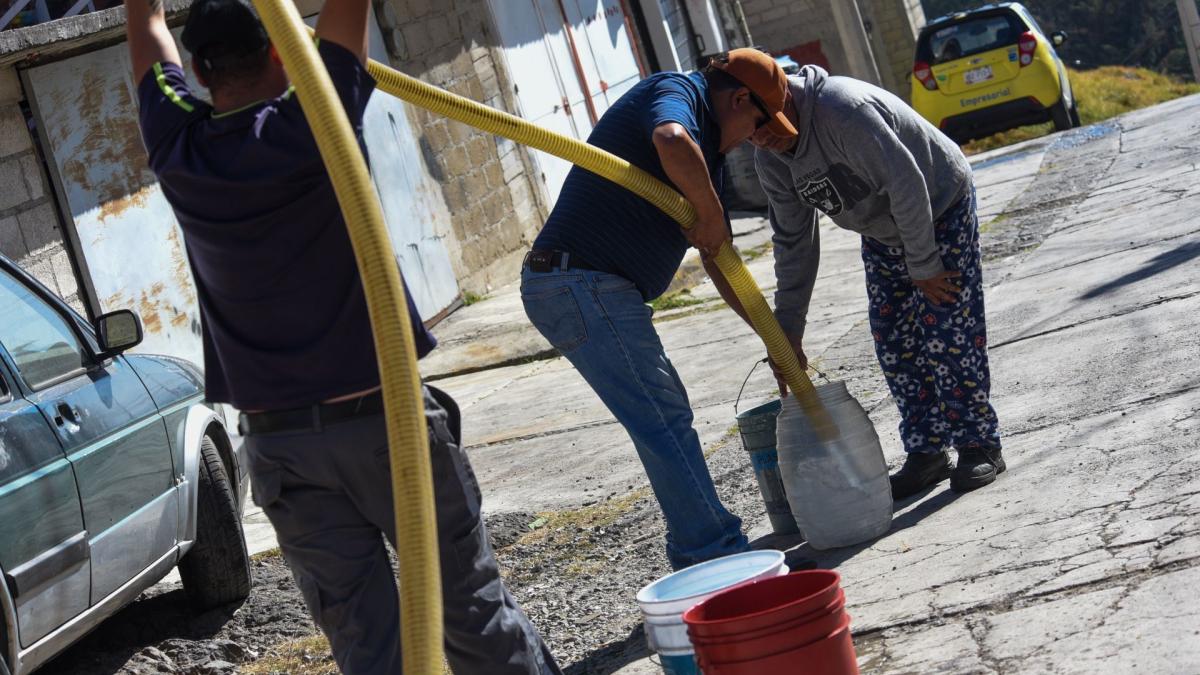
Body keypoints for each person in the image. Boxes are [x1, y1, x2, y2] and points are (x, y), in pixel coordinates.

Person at [125, 1, 561, 672]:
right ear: (281, 52)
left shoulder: (178, 147)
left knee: (367, 644)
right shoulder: (316, 119)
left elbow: (147, 27)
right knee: (470, 618)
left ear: (203, 77)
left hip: (284, 448)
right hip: (386, 425)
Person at [520, 49, 814, 572]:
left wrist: (774, 337)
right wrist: (708, 210)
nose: (753, 136)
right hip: (578, 281)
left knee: (664, 414)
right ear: (739, 98)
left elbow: (719, 256)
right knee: (662, 418)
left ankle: (698, 552)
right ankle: (714, 556)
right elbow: (669, 139)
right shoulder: (677, 92)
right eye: (757, 122)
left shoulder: (710, 157)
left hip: (591, 285)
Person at [742, 63, 1004, 501]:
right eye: (747, 132)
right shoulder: (769, 157)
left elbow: (907, 184)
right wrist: (788, 328)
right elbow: (794, 242)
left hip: (939, 205)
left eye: (762, 123)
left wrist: (924, 266)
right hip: (882, 232)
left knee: (947, 332)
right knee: (894, 342)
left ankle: (980, 444)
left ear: (782, 99)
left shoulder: (844, 111)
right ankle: (927, 452)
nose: (759, 137)